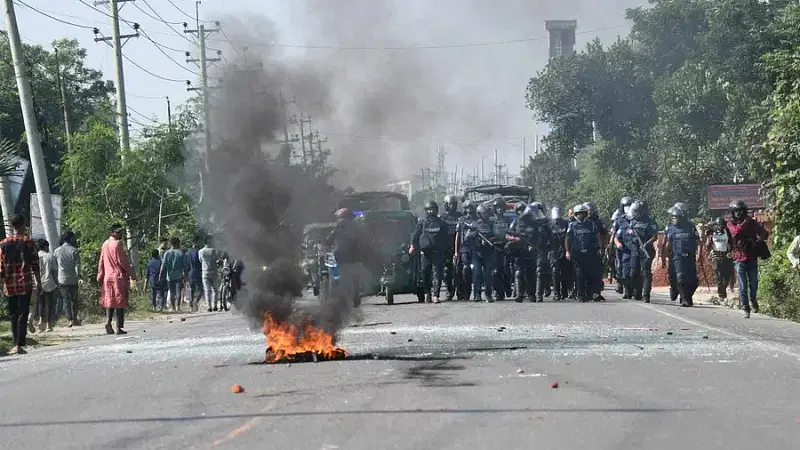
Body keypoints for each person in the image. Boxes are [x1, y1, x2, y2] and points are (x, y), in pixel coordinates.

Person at [0, 215, 41, 355]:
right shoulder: (28, 242)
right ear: (22, 225)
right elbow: (35, 265)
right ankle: (19, 344)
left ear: (12, 226)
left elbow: (0, 268)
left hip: (9, 286)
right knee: (23, 314)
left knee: (13, 315)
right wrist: (38, 282)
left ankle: (14, 343)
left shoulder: (3, 244)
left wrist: (2, 284)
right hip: (25, 283)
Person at [727, 200, 769, 318]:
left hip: (751, 256)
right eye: (735, 211)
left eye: (740, 210)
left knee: (754, 283)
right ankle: (746, 307)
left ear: (744, 211)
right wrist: (745, 223)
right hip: (738, 257)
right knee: (742, 285)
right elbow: (736, 232)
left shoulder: (752, 222)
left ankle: (753, 300)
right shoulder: (730, 223)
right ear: (732, 212)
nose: (738, 213)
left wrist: (759, 239)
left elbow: (764, 233)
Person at [615, 201, 658, 302]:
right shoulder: (632, 221)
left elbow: (654, 236)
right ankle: (635, 291)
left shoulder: (650, 221)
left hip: (646, 251)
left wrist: (646, 244)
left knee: (645, 272)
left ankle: (646, 295)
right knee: (633, 273)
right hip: (634, 250)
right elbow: (627, 232)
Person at [98, 223, 136, 334]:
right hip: (118, 277)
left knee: (110, 301)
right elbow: (122, 262)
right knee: (120, 302)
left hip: (108, 277)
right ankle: (119, 327)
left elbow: (101, 261)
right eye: (118, 232)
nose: (121, 234)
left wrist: (100, 275)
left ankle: (108, 321)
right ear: (112, 232)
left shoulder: (105, 244)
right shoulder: (118, 244)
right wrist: (132, 274)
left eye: (121, 232)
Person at [410, 200, 449, 303]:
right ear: (426, 211)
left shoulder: (442, 223)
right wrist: (412, 246)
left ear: (436, 210)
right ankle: (427, 293)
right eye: (429, 209)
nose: (431, 211)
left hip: (438, 252)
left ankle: (436, 295)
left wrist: (447, 250)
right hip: (425, 253)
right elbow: (415, 236)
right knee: (425, 273)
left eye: (433, 209)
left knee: (437, 274)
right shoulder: (422, 223)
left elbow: (446, 237)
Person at [507, 203, 545, 303]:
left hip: (531, 251)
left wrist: (533, 245)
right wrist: (514, 239)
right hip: (519, 250)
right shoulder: (517, 221)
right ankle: (519, 295)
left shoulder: (535, 223)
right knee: (519, 272)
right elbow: (507, 234)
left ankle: (531, 294)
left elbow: (540, 236)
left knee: (531, 273)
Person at [566, 204, 602, 302]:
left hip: (590, 252)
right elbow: (568, 239)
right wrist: (567, 251)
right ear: (575, 214)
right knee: (579, 274)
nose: (581, 216)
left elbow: (597, 237)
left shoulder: (591, 224)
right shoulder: (572, 225)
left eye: (583, 213)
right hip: (577, 253)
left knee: (591, 273)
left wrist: (600, 248)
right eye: (579, 214)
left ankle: (592, 293)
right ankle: (580, 294)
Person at [665, 207, 699, 307]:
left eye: (676, 218)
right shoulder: (671, 228)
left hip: (690, 256)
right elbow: (667, 243)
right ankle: (684, 299)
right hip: (677, 256)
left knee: (693, 281)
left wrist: (699, 254)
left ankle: (688, 296)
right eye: (673, 217)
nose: (674, 219)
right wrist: (664, 256)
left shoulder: (690, 227)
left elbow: (698, 242)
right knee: (680, 277)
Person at [327, 208, 362, 307]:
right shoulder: (356, 227)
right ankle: (355, 298)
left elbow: (328, 240)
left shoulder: (337, 227)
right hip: (353, 257)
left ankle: (337, 301)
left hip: (340, 257)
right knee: (354, 279)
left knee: (336, 279)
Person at [53, 231, 81, 327]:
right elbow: (77, 266)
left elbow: (55, 265)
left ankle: (69, 320)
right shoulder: (74, 250)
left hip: (62, 279)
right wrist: (79, 275)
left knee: (66, 300)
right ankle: (75, 318)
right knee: (74, 299)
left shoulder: (57, 251)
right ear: (70, 239)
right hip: (73, 279)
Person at [706, 217, 734, 303]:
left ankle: (723, 291)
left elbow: (731, 243)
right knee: (719, 276)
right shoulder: (712, 233)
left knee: (727, 276)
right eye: (720, 225)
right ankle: (721, 295)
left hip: (726, 255)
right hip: (716, 256)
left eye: (723, 225)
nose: (721, 227)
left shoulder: (727, 232)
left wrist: (731, 251)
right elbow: (707, 244)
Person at [490, 198, 513, 300]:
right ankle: (499, 292)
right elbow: (487, 234)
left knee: (506, 269)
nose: (500, 210)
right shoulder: (491, 221)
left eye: (501, 207)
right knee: (496, 271)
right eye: (498, 208)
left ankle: (508, 288)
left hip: (506, 247)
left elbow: (512, 233)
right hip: (495, 247)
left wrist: (510, 242)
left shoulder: (508, 220)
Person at [455, 200, 479, 300]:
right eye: (467, 208)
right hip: (464, 249)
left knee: (477, 271)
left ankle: (477, 293)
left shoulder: (478, 220)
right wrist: (456, 251)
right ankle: (466, 292)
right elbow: (457, 236)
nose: (469, 210)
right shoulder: (461, 220)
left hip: (476, 249)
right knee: (465, 270)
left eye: (471, 208)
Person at [583, 201, 607, 300]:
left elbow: (604, 234)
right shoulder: (580, 222)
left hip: (596, 249)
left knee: (597, 272)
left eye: (591, 210)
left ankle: (596, 292)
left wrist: (603, 247)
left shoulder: (598, 222)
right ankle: (586, 292)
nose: (590, 212)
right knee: (584, 272)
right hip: (583, 250)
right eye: (588, 211)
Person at [611, 196, 634, 294]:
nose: (627, 207)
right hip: (620, 245)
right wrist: (612, 244)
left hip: (632, 245)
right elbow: (614, 232)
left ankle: (630, 287)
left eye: (629, 205)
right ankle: (620, 284)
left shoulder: (635, 217)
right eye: (625, 205)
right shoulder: (618, 217)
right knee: (619, 265)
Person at [440, 195, 461, 301]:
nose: (452, 206)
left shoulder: (460, 216)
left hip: (459, 247)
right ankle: (449, 290)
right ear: (446, 204)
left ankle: (461, 291)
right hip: (447, 248)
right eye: (450, 203)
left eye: (453, 203)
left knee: (460, 270)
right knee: (447, 270)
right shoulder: (442, 217)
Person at [34, 239, 58, 332]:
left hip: (38, 282)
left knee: (41, 303)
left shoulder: (36, 256)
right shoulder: (49, 256)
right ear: (45, 246)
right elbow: (54, 271)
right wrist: (57, 282)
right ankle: (48, 324)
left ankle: (41, 320)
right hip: (49, 281)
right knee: (49, 304)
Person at [549, 205, 572, 301]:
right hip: (553, 251)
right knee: (555, 271)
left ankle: (564, 291)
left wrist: (568, 250)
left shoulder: (566, 223)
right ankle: (556, 293)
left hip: (564, 250)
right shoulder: (549, 224)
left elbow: (569, 236)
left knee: (565, 272)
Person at [160, 237, 185, 312]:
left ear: (170, 244)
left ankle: (173, 308)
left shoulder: (166, 253)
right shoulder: (180, 253)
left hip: (169, 276)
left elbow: (163, 265)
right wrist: (185, 275)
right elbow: (184, 266)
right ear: (178, 243)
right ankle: (178, 307)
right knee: (178, 291)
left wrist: (160, 275)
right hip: (179, 275)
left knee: (171, 291)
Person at [198, 238, 218, 312]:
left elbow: (200, 260)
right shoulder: (214, 250)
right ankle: (215, 305)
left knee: (207, 290)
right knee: (215, 290)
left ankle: (209, 306)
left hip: (205, 272)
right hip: (214, 272)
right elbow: (216, 259)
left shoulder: (200, 251)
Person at [183, 240, 203, 312]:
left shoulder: (187, 254)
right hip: (198, 273)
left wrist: (185, 275)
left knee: (191, 291)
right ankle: (196, 301)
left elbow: (185, 266)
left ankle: (191, 306)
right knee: (201, 289)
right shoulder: (199, 252)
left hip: (190, 274)